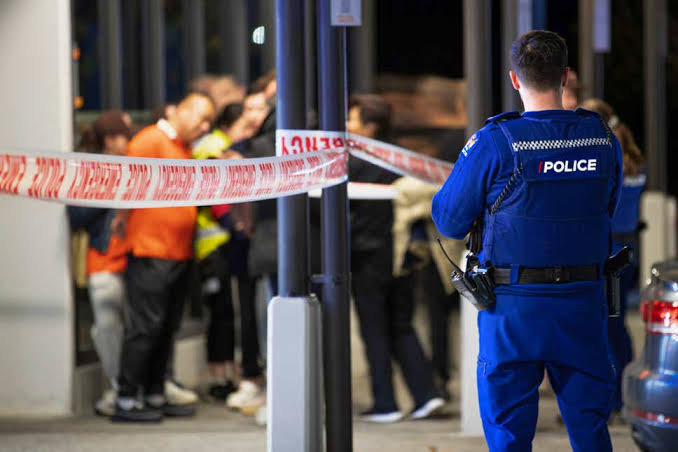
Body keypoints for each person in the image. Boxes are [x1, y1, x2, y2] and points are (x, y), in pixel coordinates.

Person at [432, 31, 622, 451]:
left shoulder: (496, 141)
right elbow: (607, 206)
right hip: (583, 300)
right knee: (590, 424)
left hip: (514, 304)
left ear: (514, 80)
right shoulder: (602, 138)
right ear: (566, 76)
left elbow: (448, 219)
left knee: (509, 431)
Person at [113, 93, 216, 422]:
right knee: (145, 327)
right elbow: (126, 186)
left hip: (177, 252)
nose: (205, 127)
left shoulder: (183, 149)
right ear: (182, 112)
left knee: (166, 327)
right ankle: (127, 399)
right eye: (201, 119)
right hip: (150, 250)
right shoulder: (149, 141)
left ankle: (154, 394)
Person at [348, 94, 444, 423]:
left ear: (370, 125)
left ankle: (385, 403)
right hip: (405, 256)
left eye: (353, 120)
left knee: (374, 329)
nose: (347, 126)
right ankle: (425, 395)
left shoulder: (355, 163)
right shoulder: (403, 159)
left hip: (367, 257)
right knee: (403, 325)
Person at [580, 98, 646, 418]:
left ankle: (611, 401)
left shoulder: (605, 156)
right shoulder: (633, 159)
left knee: (604, 328)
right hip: (628, 253)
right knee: (617, 326)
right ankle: (622, 395)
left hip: (608, 253)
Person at [67, 110, 132, 416]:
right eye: (124, 135)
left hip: (133, 260)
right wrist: (112, 191)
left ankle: (131, 386)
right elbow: (76, 215)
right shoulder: (88, 170)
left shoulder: (134, 166)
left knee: (136, 328)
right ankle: (119, 387)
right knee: (107, 329)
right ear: (110, 138)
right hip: (103, 262)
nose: (129, 142)